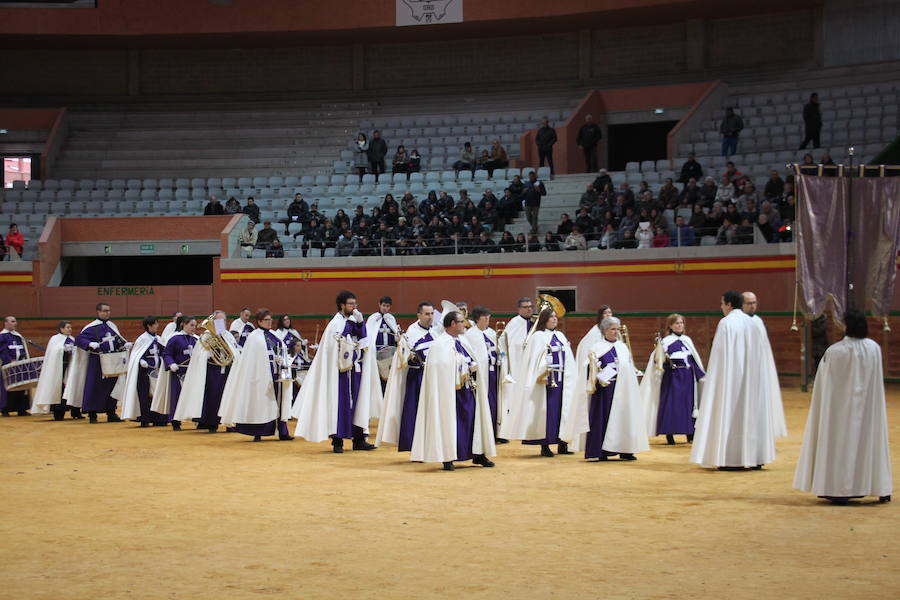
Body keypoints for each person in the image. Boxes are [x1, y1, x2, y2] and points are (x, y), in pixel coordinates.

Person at [793, 310, 892, 504]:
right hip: (867, 409)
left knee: (840, 443)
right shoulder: (874, 348)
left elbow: (824, 384)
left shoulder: (836, 351)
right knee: (869, 440)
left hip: (839, 411)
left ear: (846, 326)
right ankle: (877, 485)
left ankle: (839, 487)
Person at [690, 291, 784, 470]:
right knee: (753, 414)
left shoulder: (726, 323)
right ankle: (755, 456)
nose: (721, 307)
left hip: (731, 382)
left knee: (731, 415)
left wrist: (714, 382)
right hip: (754, 380)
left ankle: (731, 458)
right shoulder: (754, 323)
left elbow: (719, 356)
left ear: (729, 304)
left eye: (722, 303)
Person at [293, 291, 381, 452]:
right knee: (339, 405)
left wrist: (361, 324)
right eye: (350, 304)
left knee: (358, 403)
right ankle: (338, 440)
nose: (354, 307)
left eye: (355, 304)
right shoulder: (335, 324)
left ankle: (359, 439)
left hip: (355, 369)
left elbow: (364, 340)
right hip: (339, 372)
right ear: (342, 305)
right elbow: (333, 348)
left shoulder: (354, 320)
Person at [411, 311, 497, 471]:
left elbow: (471, 358)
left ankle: (478, 454)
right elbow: (441, 367)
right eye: (461, 322)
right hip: (450, 393)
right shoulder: (440, 344)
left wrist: (472, 365)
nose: (464, 325)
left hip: (468, 390)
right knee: (451, 423)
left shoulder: (463, 341)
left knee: (474, 421)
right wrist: (461, 364)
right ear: (452, 324)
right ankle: (448, 456)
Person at [500, 307, 585, 457]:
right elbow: (533, 360)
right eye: (551, 317)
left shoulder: (560, 335)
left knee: (562, 411)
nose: (554, 319)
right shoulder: (537, 337)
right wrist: (543, 368)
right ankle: (545, 445)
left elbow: (568, 359)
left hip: (562, 381)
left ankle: (562, 443)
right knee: (546, 413)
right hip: (545, 382)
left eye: (555, 317)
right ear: (544, 319)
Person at [575, 316, 648, 461]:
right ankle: (602, 451)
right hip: (604, 391)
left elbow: (628, 367)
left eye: (617, 329)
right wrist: (598, 371)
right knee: (604, 419)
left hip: (622, 390)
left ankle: (625, 449)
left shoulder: (622, 347)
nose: (615, 332)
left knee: (624, 419)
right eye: (612, 329)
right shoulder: (597, 347)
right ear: (604, 330)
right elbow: (588, 367)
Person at [219, 309, 293, 441]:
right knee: (261, 403)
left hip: (277, 374)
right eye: (266, 320)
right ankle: (258, 432)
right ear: (259, 321)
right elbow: (251, 360)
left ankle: (282, 431)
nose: (270, 322)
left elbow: (281, 349)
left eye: (271, 319)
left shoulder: (274, 335)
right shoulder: (254, 337)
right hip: (260, 377)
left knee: (280, 402)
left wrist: (282, 360)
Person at [376, 301, 438, 451]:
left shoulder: (436, 331)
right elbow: (409, 355)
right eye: (427, 314)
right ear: (419, 315)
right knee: (414, 411)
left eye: (432, 314)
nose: (430, 317)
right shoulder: (412, 331)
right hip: (416, 377)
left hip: (432, 377)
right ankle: (414, 444)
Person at [640, 314, 706, 445]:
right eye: (676, 323)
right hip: (673, 377)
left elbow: (693, 361)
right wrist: (665, 361)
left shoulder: (687, 340)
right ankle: (669, 434)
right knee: (671, 405)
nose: (680, 325)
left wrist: (701, 376)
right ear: (670, 326)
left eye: (681, 323)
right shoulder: (665, 342)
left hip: (688, 378)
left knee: (689, 405)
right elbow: (658, 360)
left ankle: (690, 433)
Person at [174, 310, 240, 433]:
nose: (221, 323)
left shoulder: (228, 335)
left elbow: (235, 351)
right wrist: (207, 354)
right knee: (213, 397)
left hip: (227, 371)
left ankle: (229, 423)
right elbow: (198, 355)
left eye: (224, 321)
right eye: (218, 321)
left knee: (229, 396)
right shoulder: (206, 336)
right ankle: (212, 423)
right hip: (212, 371)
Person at [64, 303, 131, 423]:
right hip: (97, 362)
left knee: (112, 386)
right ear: (98, 312)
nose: (107, 313)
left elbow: (118, 339)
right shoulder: (92, 327)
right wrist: (89, 344)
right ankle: (92, 414)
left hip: (113, 361)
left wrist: (124, 344)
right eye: (105, 311)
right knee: (94, 387)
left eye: (109, 311)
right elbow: (79, 339)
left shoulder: (112, 326)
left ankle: (111, 412)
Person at [742, 292, 787, 439]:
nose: (752, 306)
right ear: (742, 304)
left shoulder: (758, 321)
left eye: (754, 302)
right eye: (749, 303)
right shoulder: (737, 322)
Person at [151, 315, 198, 431]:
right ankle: (176, 421)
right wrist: (171, 363)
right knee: (177, 396)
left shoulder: (196, 339)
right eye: (191, 325)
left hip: (192, 372)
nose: (194, 328)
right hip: (178, 372)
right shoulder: (175, 338)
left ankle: (197, 419)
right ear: (183, 324)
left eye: (195, 326)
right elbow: (167, 354)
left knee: (194, 396)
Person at [121, 316, 168, 427]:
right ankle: (145, 418)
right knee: (145, 396)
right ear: (149, 325)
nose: (158, 326)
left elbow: (163, 351)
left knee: (157, 395)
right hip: (145, 373)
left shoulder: (158, 338)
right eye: (156, 324)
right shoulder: (142, 339)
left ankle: (159, 418)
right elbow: (136, 355)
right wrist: (141, 361)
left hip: (156, 372)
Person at [463, 306, 502, 441]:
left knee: (495, 402)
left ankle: (494, 431)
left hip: (493, 372)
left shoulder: (491, 332)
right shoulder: (471, 335)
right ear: (477, 319)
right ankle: (485, 433)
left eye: (488, 317)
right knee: (484, 402)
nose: (487, 320)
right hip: (481, 374)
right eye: (485, 318)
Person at [496, 297, 534, 431]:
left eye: (530, 306)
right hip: (517, 363)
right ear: (519, 309)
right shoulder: (514, 322)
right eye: (525, 307)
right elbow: (503, 342)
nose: (529, 309)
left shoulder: (534, 322)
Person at [31, 321, 81, 420]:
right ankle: (58, 413)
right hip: (58, 369)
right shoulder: (55, 339)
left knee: (72, 387)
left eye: (70, 327)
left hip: (69, 368)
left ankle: (75, 412)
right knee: (59, 389)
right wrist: (63, 349)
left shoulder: (72, 339)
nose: (70, 329)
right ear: (61, 329)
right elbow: (54, 352)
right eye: (67, 327)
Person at [0, 315, 33, 416]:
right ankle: (5, 409)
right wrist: (9, 360)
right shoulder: (2, 336)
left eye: (15, 321)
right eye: (13, 321)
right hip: (8, 367)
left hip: (20, 366)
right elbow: (2, 351)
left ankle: (21, 408)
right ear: (6, 323)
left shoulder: (18, 336)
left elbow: (22, 349)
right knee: (8, 387)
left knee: (21, 386)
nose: (15, 323)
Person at [366, 296, 400, 389]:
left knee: (388, 379)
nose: (385, 308)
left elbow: (395, 334)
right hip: (376, 353)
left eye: (388, 306)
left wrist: (397, 338)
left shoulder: (391, 318)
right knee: (377, 379)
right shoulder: (373, 318)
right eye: (384, 305)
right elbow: (369, 335)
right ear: (379, 305)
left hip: (389, 353)